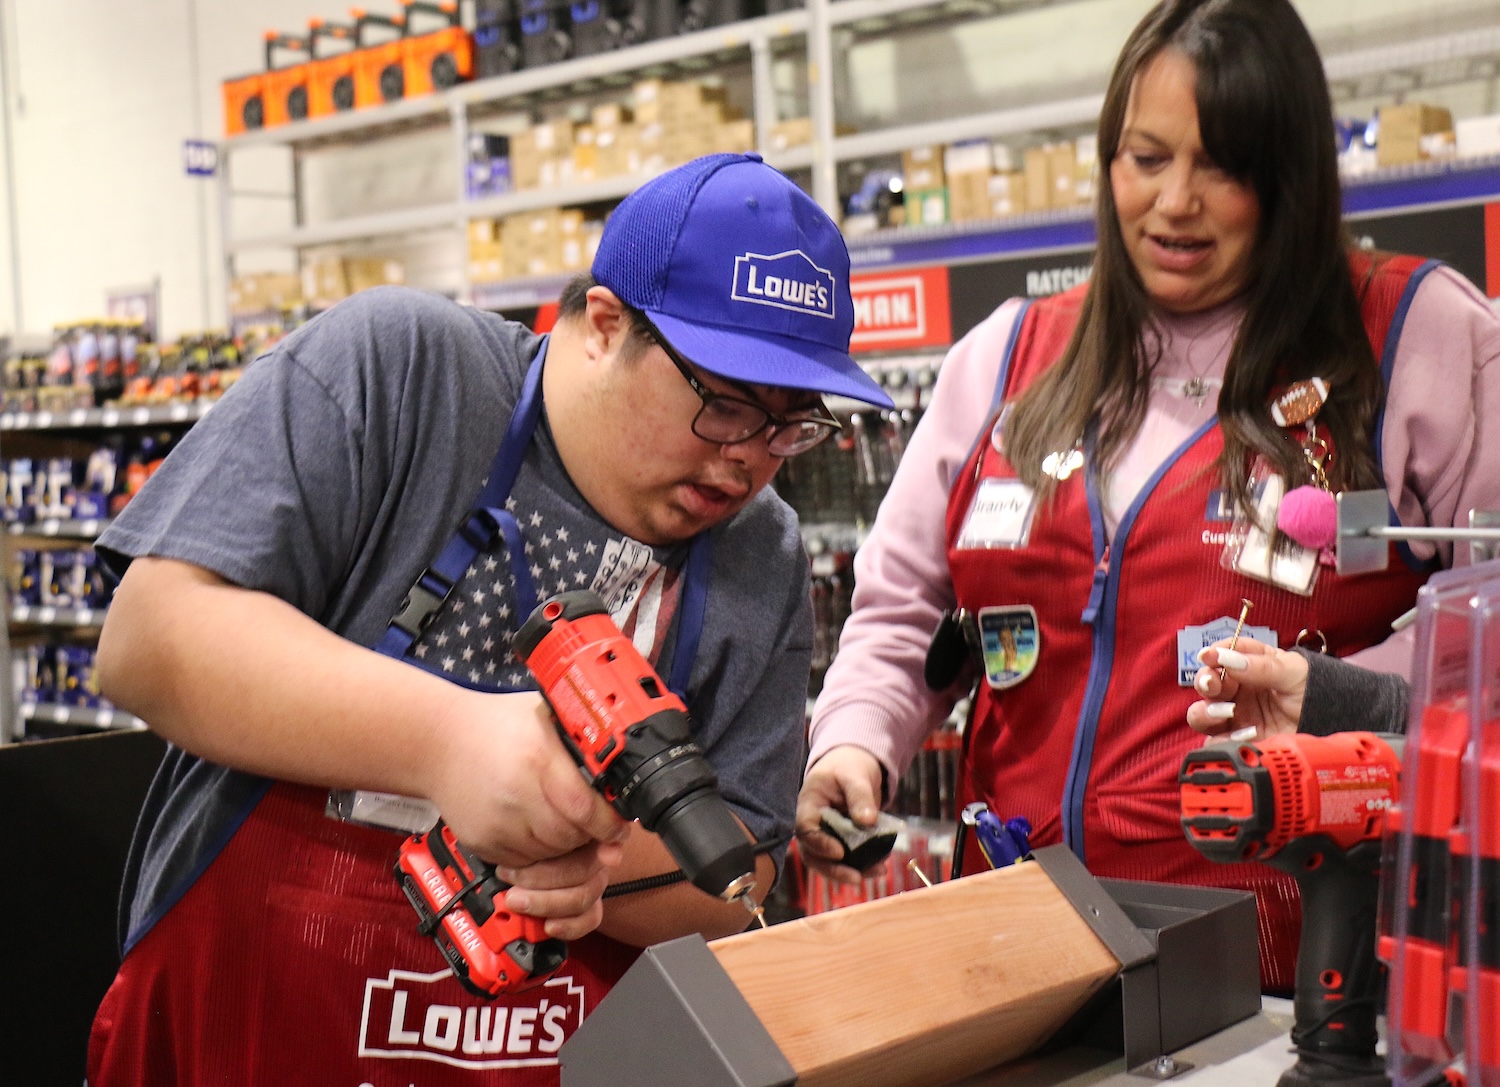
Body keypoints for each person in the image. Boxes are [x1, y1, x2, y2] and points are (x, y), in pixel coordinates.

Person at [86, 152, 894, 1084]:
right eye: (725, 405)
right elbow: (147, 639)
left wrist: (590, 869)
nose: (752, 459)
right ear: (604, 325)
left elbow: (738, 886)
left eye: (794, 424)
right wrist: (445, 741)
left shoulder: (763, 551)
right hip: (246, 1024)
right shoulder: (401, 372)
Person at [797, 0, 1500, 994]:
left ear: (1289, 179)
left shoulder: (1412, 338)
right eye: (1145, 157)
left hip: (1298, 981)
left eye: (1222, 165)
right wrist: (856, 746)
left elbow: (1493, 617)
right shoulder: (1006, 356)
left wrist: (1347, 694)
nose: (1175, 202)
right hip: (1015, 962)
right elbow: (904, 610)